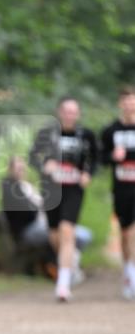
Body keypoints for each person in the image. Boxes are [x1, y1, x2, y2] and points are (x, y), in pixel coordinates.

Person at [29, 97, 98, 302]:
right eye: (66, 111)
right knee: (54, 234)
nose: (69, 115)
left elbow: (95, 159)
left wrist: (88, 174)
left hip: (73, 190)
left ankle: (63, 284)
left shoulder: (86, 135)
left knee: (67, 230)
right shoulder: (47, 133)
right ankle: (71, 262)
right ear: (60, 112)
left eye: (73, 111)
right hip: (51, 189)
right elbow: (33, 156)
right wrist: (44, 167)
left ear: (78, 114)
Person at [1, 155, 92, 278]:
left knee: (82, 235)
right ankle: (68, 266)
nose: (20, 170)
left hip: (42, 223)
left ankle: (67, 265)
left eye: (22, 167)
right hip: (28, 228)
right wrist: (39, 208)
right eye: (17, 167)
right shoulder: (9, 185)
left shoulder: (28, 185)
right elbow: (24, 210)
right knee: (63, 235)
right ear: (10, 169)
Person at [100, 86, 135, 299]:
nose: (130, 105)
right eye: (127, 101)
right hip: (121, 189)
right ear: (120, 104)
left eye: (133, 101)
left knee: (134, 233)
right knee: (124, 235)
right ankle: (127, 273)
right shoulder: (110, 131)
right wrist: (113, 156)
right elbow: (101, 159)